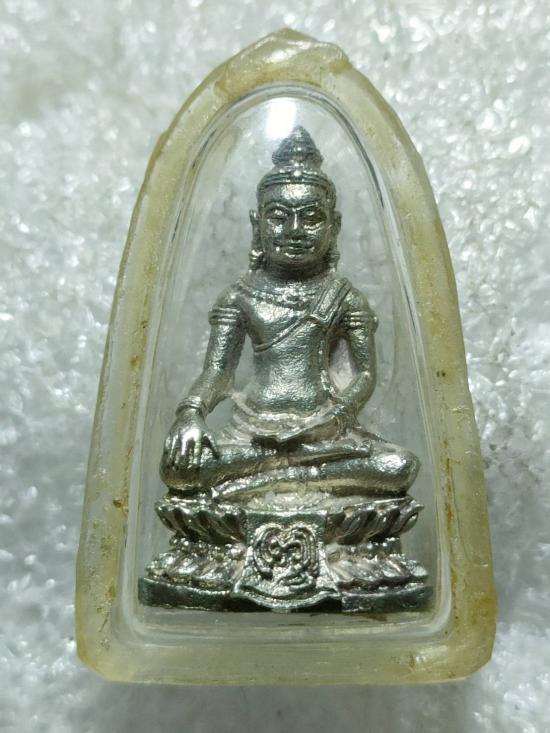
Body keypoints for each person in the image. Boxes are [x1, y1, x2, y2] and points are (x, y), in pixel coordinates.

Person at [160, 126, 419, 501]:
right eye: (279, 217)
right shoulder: (239, 296)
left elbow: (364, 374)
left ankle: (264, 481)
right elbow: (218, 373)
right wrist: (190, 415)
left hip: (325, 435)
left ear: (334, 226)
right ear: (257, 224)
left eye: (311, 217)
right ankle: (298, 477)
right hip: (251, 434)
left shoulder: (345, 298)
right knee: (180, 470)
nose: (294, 230)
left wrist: (333, 419)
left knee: (398, 466)